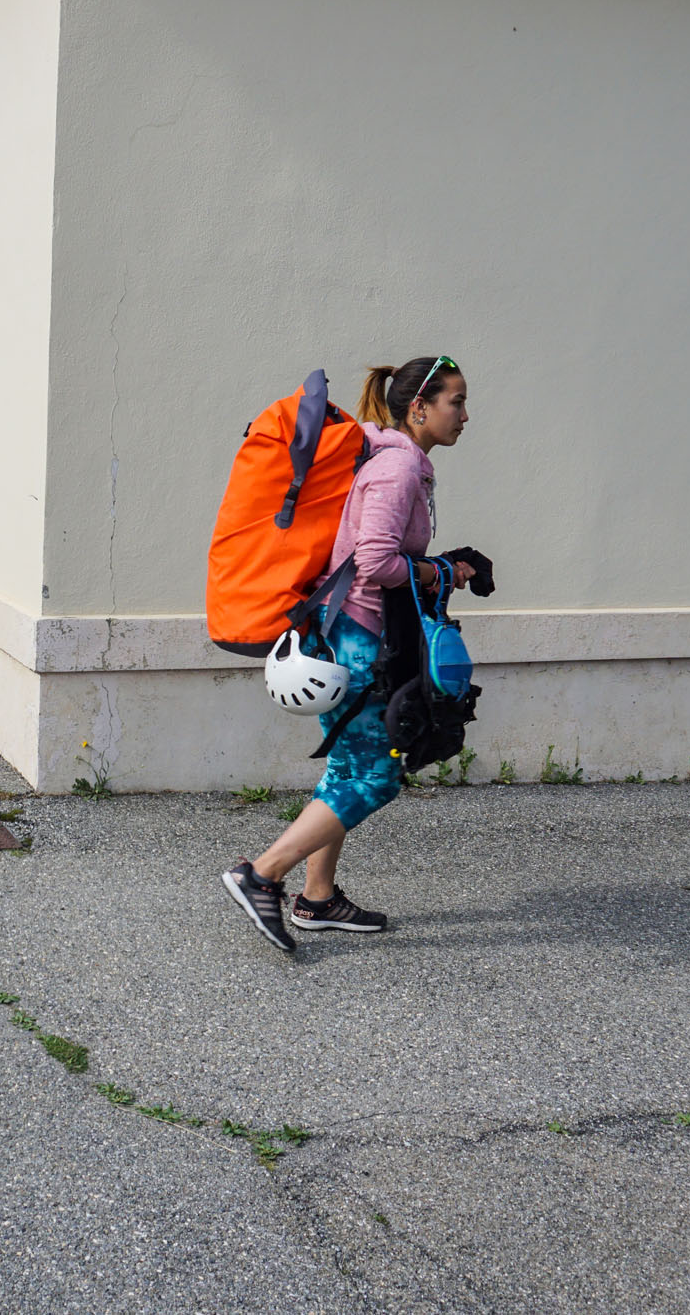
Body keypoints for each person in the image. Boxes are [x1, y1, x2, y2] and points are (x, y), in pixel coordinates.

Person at [221, 356, 478, 951]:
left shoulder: (397, 461)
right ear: (419, 407)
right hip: (361, 640)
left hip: (350, 633)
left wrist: (441, 569)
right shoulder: (397, 470)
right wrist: (440, 572)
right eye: (455, 402)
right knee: (376, 777)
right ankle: (260, 874)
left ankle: (317, 899)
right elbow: (376, 562)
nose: (465, 415)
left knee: (346, 768)